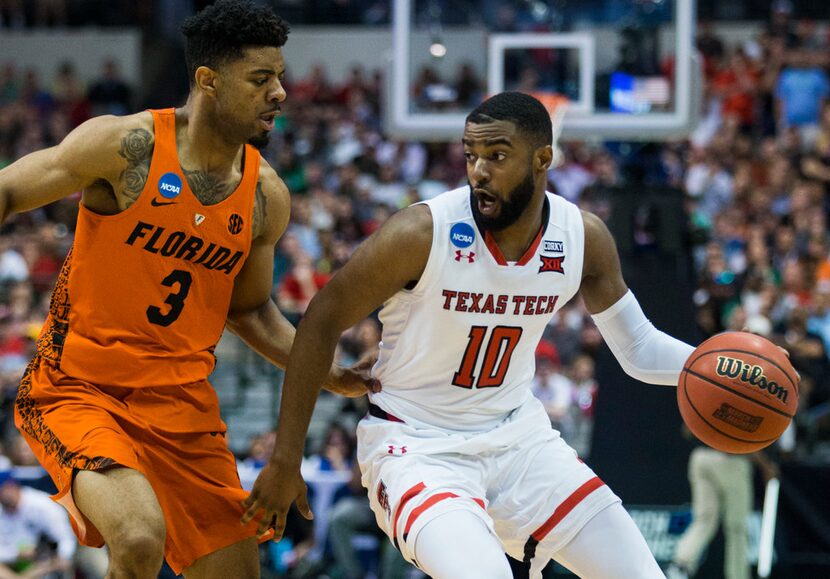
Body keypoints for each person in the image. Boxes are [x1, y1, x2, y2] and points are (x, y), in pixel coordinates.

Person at [243, 91, 697, 578]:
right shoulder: (421, 231)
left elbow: (639, 348)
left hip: (522, 442)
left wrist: (724, 367)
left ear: (543, 159)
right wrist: (285, 458)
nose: (478, 169)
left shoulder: (582, 236)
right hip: (417, 446)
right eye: (470, 154)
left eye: (497, 156)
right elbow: (320, 321)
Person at [0, 1, 373, 577]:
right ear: (207, 80)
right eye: (260, 79)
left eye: (280, 76)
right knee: (139, 537)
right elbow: (7, 192)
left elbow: (251, 313)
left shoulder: (264, 197)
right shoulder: (127, 146)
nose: (279, 92)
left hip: (182, 407)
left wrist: (330, 371)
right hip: (78, 387)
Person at [666, 436, 779, 579]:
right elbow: (744, 439)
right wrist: (765, 465)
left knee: (704, 520)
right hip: (730, 459)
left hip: (701, 457)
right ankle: (738, 576)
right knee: (737, 527)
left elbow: (686, 430)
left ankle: (680, 567)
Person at [0, 469, 76, 578]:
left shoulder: (41, 504)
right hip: (16, 562)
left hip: (48, 557)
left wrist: (63, 556)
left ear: (13, 486)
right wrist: (17, 554)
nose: (2, 494)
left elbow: (65, 537)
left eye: (3, 489)